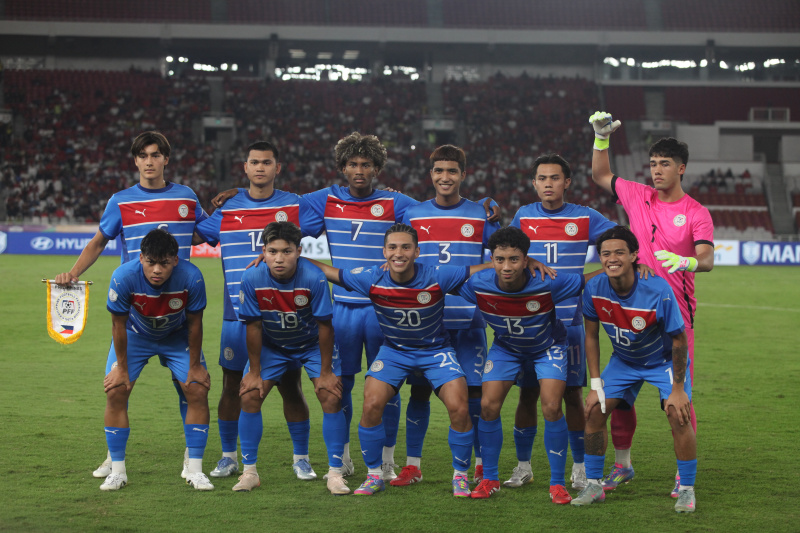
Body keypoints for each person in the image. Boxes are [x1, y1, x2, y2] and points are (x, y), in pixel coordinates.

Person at [54, 131, 209, 479]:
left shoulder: (186, 196)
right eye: (143, 155)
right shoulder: (120, 200)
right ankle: (114, 459)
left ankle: (191, 457)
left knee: (191, 387)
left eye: (156, 155)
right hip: (137, 310)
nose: (150, 161)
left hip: (178, 311)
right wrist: (73, 274)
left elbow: (206, 231)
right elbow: (98, 241)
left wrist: (231, 205)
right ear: (135, 160)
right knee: (117, 386)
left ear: (166, 159)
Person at [308, 224, 493, 498]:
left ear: (417, 251)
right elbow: (328, 271)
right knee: (370, 404)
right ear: (384, 251)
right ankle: (374, 476)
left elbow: (481, 269)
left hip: (436, 351)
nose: (399, 253)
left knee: (459, 408)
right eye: (392, 247)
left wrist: (527, 261)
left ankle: (460, 476)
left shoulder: (438, 275)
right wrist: (294, 258)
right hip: (394, 351)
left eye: (406, 247)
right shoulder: (372, 277)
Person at [589, 112, 713, 496]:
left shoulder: (696, 212)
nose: (656, 170)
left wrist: (686, 261)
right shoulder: (638, 195)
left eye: (664, 164)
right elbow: (600, 175)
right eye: (653, 164)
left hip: (676, 319)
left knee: (677, 405)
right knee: (619, 399)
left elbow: (706, 259)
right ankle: (622, 466)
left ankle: (683, 477)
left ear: (681, 168)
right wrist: (601, 139)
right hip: (633, 312)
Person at [297, 132, 420, 481]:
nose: (359, 170)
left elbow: (434, 211)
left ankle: (387, 459)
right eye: (352, 164)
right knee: (341, 385)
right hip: (343, 311)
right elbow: (282, 202)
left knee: (388, 387)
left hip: (386, 310)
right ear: (342, 167)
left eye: (366, 164)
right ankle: (346, 457)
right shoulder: (326, 200)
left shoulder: (397, 203)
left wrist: (484, 203)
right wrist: (239, 194)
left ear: (377, 168)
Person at [195, 141, 318, 482]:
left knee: (291, 385)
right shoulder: (227, 209)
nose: (260, 167)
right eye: (254, 162)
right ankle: (229, 456)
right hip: (237, 316)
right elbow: (192, 232)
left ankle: (301, 458)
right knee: (232, 385)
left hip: (283, 316)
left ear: (278, 168)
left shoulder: (295, 205)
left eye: (267, 162)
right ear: (245, 168)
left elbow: (339, 211)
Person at [455, 226, 599, 502]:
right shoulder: (477, 284)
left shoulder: (547, 281)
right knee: (487, 405)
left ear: (525, 260)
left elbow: (587, 279)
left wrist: (627, 266)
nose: (506, 266)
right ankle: (490, 479)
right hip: (506, 348)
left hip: (548, 347)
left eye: (513, 259)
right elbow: (438, 280)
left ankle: (557, 483)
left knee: (552, 406)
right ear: (492, 259)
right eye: (500, 259)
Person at [506, 153, 617, 491]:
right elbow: (509, 252)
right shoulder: (524, 216)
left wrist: (602, 271)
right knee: (526, 395)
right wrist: (530, 257)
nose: (548, 184)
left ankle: (580, 467)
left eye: (555, 178)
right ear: (535, 183)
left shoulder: (585, 217)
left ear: (567, 182)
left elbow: (620, 244)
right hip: (528, 321)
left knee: (571, 395)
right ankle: (524, 466)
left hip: (569, 322)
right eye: (542, 178)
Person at [393, 145, 500, 487]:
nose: (445, 177)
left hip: (468, 321)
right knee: (420, 394)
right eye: (439, 170)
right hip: (425, 323)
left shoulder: (482, 213)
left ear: (463, 175)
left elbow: (500, 257)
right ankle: (413, 465)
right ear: (431, 174)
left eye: (452, 171)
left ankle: (481, 466)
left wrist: (499, 219)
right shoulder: (412, 213)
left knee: (474, 397)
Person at [571, 226, 696, 513]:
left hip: (662, 361)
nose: (612, 258)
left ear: (634, 256)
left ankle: (687, 489)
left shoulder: (657, 289)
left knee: (678, 414)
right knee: (592, 410)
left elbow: (679, 340)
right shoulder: (594, 288)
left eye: (619, 252)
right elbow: (590, 336)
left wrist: (677, 389)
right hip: (624, 361)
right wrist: (595, 384)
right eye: (605, 253)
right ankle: (593, 485)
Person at [234, 222, 349, 495]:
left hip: (310, 344)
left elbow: (325, 327)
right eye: (272, 251)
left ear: (299, 251)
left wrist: (325, 372)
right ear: (264, 251)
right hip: (273, 345)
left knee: (330, 394)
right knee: (250, 393)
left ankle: (334, 473)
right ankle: (249, 472)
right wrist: (254, 371)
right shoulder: (251, 278)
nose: (279, 258)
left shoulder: (314, 277)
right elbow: (252, 326)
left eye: (286, 251)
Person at [100, 229, 213, 491]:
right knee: (116, 390)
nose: (157, 270)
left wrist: (195, 366)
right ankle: (117, 471)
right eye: (151, 262)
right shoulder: (123, 277)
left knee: (196, 389)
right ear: (141, 258)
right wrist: (122, 369)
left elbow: (196, 323)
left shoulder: (192, 277)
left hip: (177, 335)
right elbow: (118, 325)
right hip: (135, 335)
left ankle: (194, 468)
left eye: (164, 263)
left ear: (175, 260)